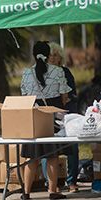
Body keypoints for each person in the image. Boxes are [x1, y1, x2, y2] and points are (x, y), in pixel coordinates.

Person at [20, 41, 71, 200]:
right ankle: (52, 190)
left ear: (34, 55)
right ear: (49, 55)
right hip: (52, 116)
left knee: (32, 157)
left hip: (33, 116)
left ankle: (26, 193)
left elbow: (24, 96)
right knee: (52, 156)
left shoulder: (26, 73)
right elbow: (64, 96)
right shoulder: (58, 71)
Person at [40, 42, 80, 193]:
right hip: (48, 115)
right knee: (48, 150)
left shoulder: (66, 72)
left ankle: (72, 181)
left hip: (66, 114)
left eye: (55, 55)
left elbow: (71, 95)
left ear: (60, 58)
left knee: (73, 147)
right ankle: (51, 184)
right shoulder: (40, 73)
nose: (52, 58)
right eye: (49, 55)